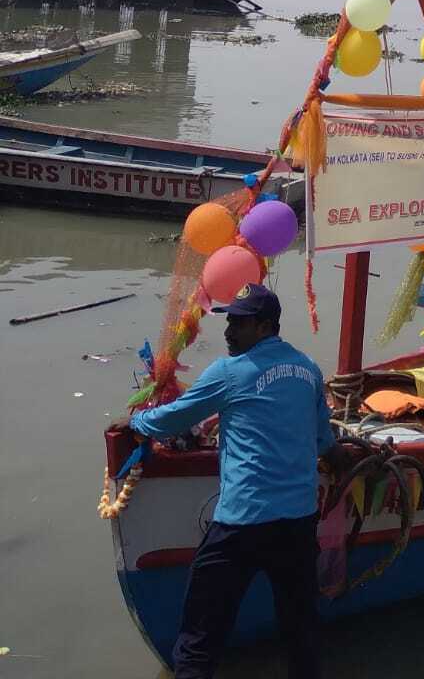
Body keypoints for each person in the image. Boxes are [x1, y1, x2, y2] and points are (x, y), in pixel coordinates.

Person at [114, 284, 345, 679]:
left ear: (265, 326)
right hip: (297, 524)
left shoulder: (230, 372)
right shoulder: (308, 369)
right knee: (300, 633)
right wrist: (347, 460)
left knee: (200, 636)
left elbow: (175, 418)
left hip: (242, 523)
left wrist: (135, 423)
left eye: (238, 323)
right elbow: (324, 441)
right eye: (229, 321)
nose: (228, 332)